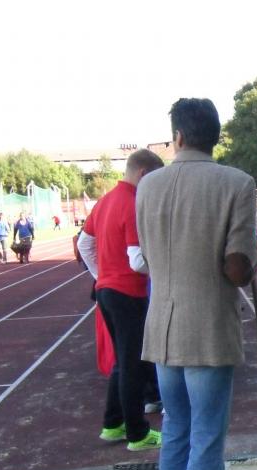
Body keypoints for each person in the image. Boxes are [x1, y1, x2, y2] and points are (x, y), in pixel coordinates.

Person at [136, 97, 257, 470]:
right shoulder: (237, 183)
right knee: (206, 440)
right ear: (215, 136)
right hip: (207, 329)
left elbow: (148, 257)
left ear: (178, 137)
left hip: (163, 329)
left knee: (176, 433)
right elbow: (235, 269)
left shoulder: (148, 185)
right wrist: (250, 262)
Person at [77, 148, 165, 452]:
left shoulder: (104, 201)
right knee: (133, 365)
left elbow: (84, 244)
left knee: (122, 361)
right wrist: (166, 269)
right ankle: (138, 433)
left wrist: (102, 274)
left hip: (107, 291)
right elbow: (137, 260)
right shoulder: (132, 204)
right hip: (128, 293)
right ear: (143, 174)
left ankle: (113, 423)